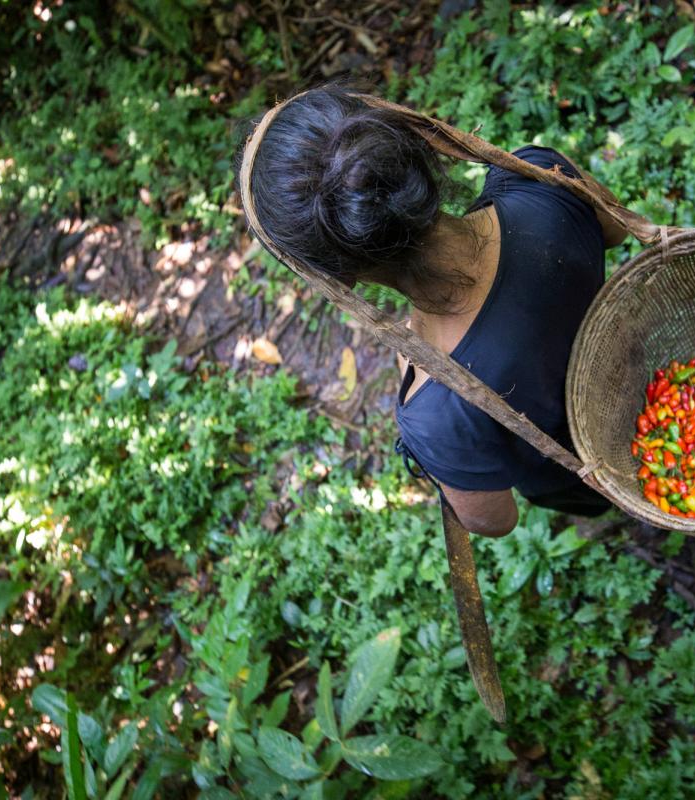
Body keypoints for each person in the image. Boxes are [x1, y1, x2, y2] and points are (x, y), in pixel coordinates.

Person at [239, 84, 627, 537]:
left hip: (590, 469)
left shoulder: (437, 411)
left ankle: (612, 516)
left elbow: (494, 521)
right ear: (418, 152)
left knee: (589, 495)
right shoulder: (539, 177)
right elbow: (615, 228)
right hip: (642, 361)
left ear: (336, 276)